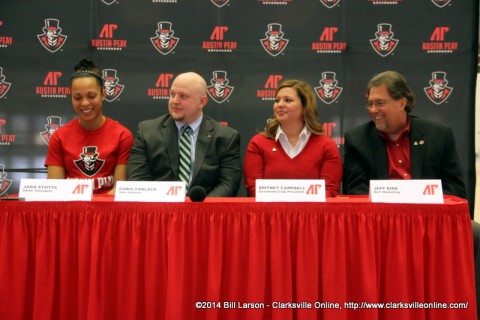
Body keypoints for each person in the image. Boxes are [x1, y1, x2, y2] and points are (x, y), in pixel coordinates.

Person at [342, 70, 480, 317]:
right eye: (370, 104)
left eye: (380, 103)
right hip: (380, 225)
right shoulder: (358, 139)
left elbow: (456, 190)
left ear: (402, 102)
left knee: (476, 232)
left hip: (430, 223)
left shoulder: (439, 135)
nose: (373, 110)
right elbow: (355, 192)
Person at [126, 72, 242, 197]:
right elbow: (137, 180)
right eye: (172, 94)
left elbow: (228, 184)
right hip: (160, 211)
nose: (175, 101)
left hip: (205, 212)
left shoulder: (226, 137)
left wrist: (199, 210)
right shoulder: (147, 132)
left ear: (202, 102)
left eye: (183, 96)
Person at [44, 58, 133, 194]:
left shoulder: (122, 135)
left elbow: (120, 188)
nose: (85, 103)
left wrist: (94, 211)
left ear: (103, 94)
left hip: (107, 212)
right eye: (77, 97)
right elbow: (55, 189)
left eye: (91, 96)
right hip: (71, 212)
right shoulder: (59, 137)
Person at [243, 79, 342, 197]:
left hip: (312, 215)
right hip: (270, 214)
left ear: (305, 107)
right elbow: (254, 190)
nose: (280, 104)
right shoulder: (258, 143)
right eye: (277, 100)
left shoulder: (326, 145)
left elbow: (329, 191)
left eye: (288, 100)